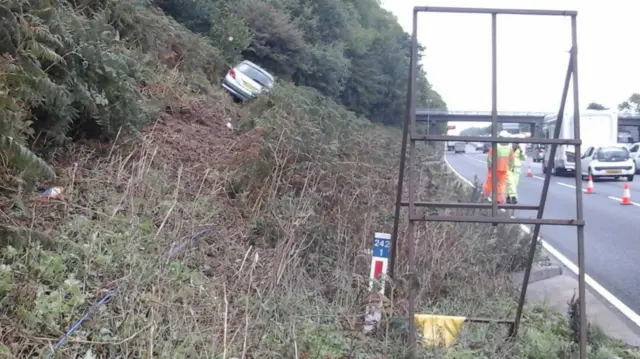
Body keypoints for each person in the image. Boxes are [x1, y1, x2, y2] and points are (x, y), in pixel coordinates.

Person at [482, 130, 514, 204]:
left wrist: (489, 166)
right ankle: (499, 199)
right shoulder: (509, 147)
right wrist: (511, 167)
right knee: (501, 185)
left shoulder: (495, 145)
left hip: (494, 168)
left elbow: (489, 157)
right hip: (504, 169)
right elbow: (512, 159)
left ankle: (485, 196)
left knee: (489, 182)